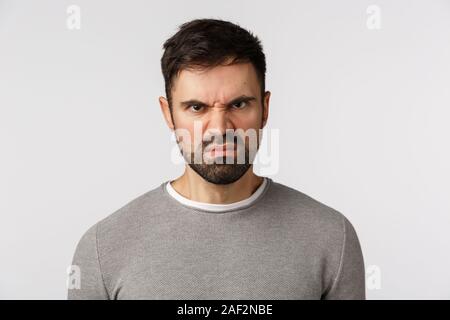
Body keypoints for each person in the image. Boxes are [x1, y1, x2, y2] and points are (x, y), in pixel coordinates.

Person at [67, 18, 365, 300]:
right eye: (197, 107)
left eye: (238, 104)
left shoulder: (331, 238)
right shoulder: (102, 247)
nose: (220, 129)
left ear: (265, 107)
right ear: (168, 114)